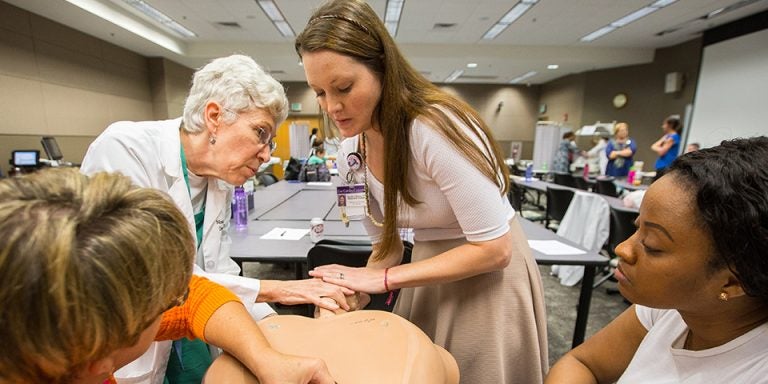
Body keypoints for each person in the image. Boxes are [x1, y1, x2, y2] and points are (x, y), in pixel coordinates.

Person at [296, 1, 548, 382]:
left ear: (382, 69)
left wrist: (381, 281)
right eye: (319, 92)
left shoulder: (433, 128)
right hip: (427, 270)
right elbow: (388, 249)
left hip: (489, 277)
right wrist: (352, 294)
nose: (332, 106)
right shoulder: (351, 154)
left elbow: (495, 249)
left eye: (344, 88)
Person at [80, 54, 353, 383]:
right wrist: (279, 289)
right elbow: (152, 283)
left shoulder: (220, 180)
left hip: (196, 332)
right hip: (135, 346)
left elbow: (221, 274)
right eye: (260, 133)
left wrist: (277, 331)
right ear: (214, 116)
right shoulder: (126, 149)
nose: (267, 153)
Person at [0, 169, 335, 384]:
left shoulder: (68, 340)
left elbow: (200, 297)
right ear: (98, 361)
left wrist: (267, 360)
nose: (179, 300)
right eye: (166, 302)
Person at [546, 137, 768, 383]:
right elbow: (582, 363)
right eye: (637, 227)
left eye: (652, 245)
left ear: (733, 282)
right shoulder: (673, 307)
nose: (622, 249)